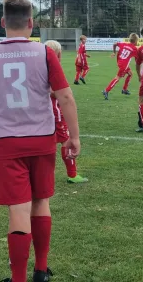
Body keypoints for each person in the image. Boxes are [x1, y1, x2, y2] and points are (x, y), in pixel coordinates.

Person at [0, 0, 80, 282]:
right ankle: (40, 270)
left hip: (7, 142)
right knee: (41, 202)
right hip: (42, 138)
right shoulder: (45, 53)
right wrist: (74, 137)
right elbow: (65, 96)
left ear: (3, 22)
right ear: (31, 23)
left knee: (18, 209)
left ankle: (18, 279)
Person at [45, 39, 89, 184]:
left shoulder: (37, 66)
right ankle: (72, 174)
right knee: (66, 140)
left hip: (41, 111)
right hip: (54, 111)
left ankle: (43, 175)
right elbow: (53, 91)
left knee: (46, 141)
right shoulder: (52, 67)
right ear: (58, 54)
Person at [102, 33, 139, 100]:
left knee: (130, 74)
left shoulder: (124, 44)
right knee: (117, 78)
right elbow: (137, 61)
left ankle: (124, 89)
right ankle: (106, 90)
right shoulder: (134, 49)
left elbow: (114, 44)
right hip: (124, 66)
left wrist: (114, 52)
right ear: (136, 41)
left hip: (120, 62)